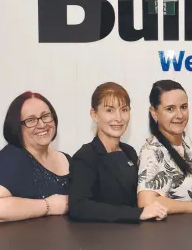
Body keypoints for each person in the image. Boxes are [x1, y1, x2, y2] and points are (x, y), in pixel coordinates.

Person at [69, 82, 168, 223]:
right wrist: (137, 214)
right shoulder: (85, 157)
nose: (119, 118)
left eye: (124, 110)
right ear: (94, 114)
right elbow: (79, 207)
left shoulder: (129, 152)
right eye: (109, 110)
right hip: (100, 241)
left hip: (132, 238)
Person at [0, 92, 69, 222]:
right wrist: (48, 205)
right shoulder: (12, 158)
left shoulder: (67, 159)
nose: (42, 124)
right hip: (24, 241)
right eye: (31, 120)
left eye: (45, 116)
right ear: (17, 126)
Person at [137, 80, 192, 213]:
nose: (180, 115)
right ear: (154, 112)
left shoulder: (185, 142)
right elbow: (146, 201)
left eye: (184, 107)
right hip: (170, 232)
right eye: (170, 109)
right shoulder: (152, 151)